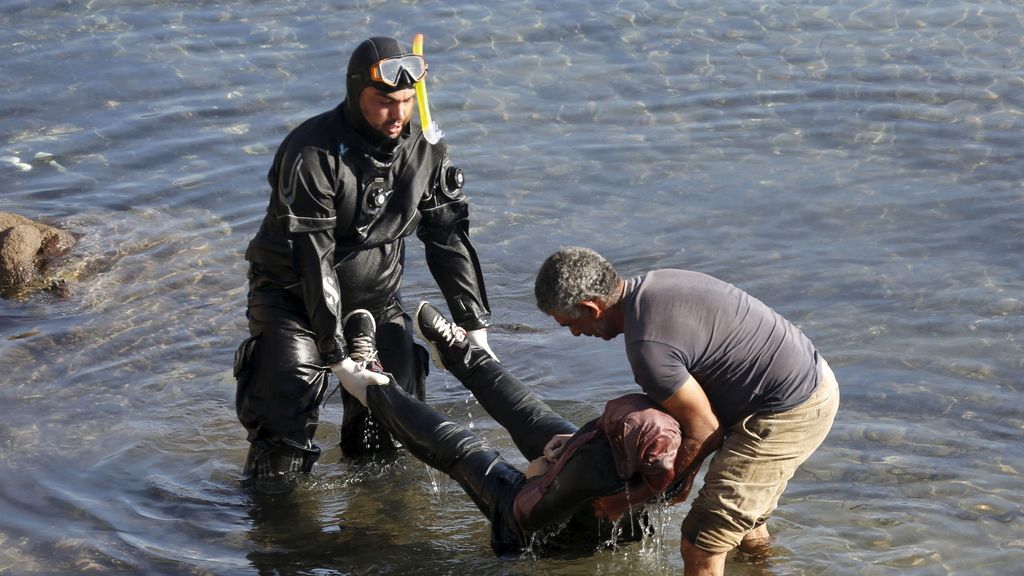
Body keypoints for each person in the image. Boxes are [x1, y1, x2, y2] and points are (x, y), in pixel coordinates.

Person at [233, 36, 495, 480]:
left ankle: (374, 520)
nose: (398, 115)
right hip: (292, 301)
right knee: (283, 439)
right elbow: (314, 259)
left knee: (389, 444)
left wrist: (475, 328)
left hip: (377, 301)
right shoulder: (312, 152)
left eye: (407, 101)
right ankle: (273, 517)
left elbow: (447, 236)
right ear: (356, 93)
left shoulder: (424, 148)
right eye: (384, 102)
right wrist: (338, 359)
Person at [534, 246, 840, 576]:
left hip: (787, 411)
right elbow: (675, 409)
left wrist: (636, 496)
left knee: (702, 539)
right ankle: (761, 569)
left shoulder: (648, 348)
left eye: (570, 324)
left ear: (590, 308)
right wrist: (582, 439)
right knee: (743, 518)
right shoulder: (659, 284)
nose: (576, 333)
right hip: (808, 379)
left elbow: (705, 430)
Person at [338, 301, 694, 556]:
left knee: (462, 450)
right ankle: (461, 354)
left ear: (615, 441)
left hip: (531, 525)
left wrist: (535, 475)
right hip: (592, 492)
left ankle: (372, 385)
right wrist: (577, 441)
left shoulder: (587, 472)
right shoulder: (674, 456)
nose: (604, 421)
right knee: (536, 417)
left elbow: (529, 507)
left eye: (608, 425)